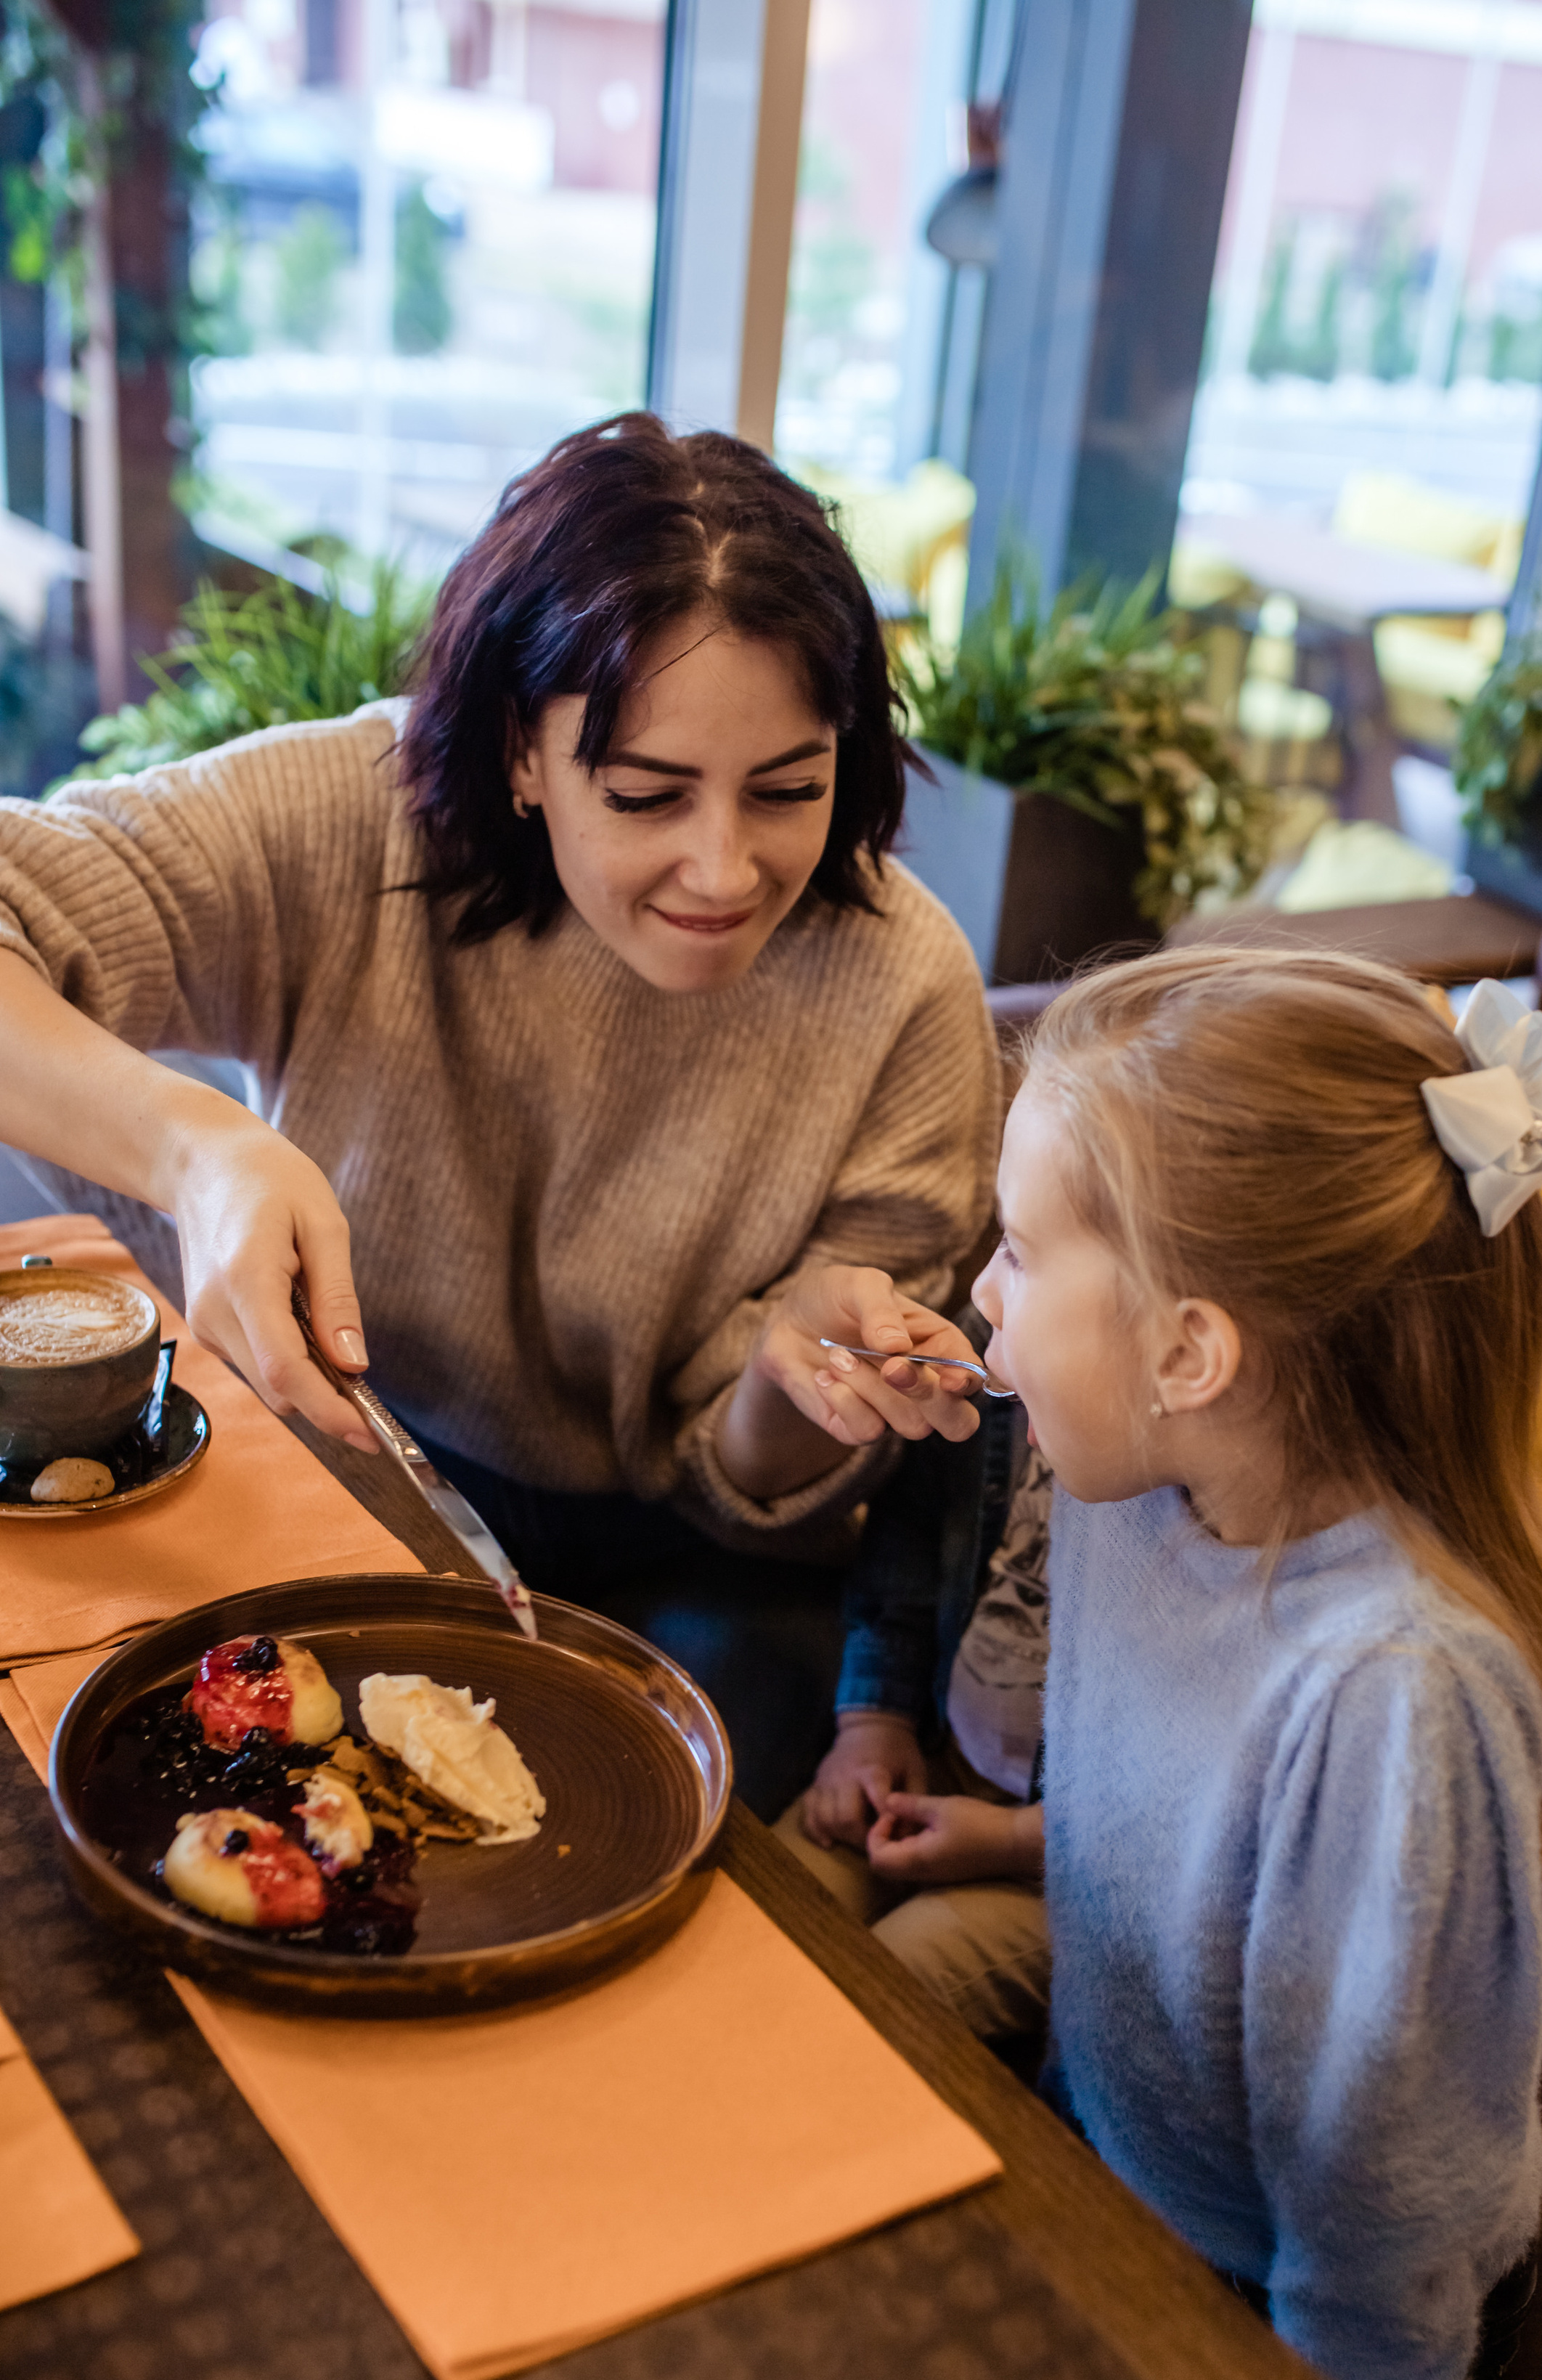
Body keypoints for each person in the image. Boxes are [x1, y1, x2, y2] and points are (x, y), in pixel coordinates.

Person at [0, 413, 994, 1811]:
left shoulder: (905, 989)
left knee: (634, 1824)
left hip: (683, 1560)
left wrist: (792, 1376)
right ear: (522, 752)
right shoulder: (361, 819)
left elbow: (746, 1482)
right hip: (356, 1468)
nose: (724, 868)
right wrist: (198, 1146)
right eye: (645, 794)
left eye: (790, 790)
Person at [949, 948, 1542, 2380]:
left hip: (1298, 2311)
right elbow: (1190, 1800)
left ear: (1188, 1353)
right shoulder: (1143, 1477)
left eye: (1019, 1255)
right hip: (1110, 2150)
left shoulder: (1392, 1701)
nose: (980, 1290)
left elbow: (1379, 2207)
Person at [780, 1311, 1052, 2051]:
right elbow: (910, 1539)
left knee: (874, 1997)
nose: (985, 1286)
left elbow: (1187, 1810)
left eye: (1022, 1253)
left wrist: (1014, 1839)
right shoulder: (994, 1353)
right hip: (939, 1759)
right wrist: (875, 1721)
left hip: (1069, 1873)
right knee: (769, 1919)